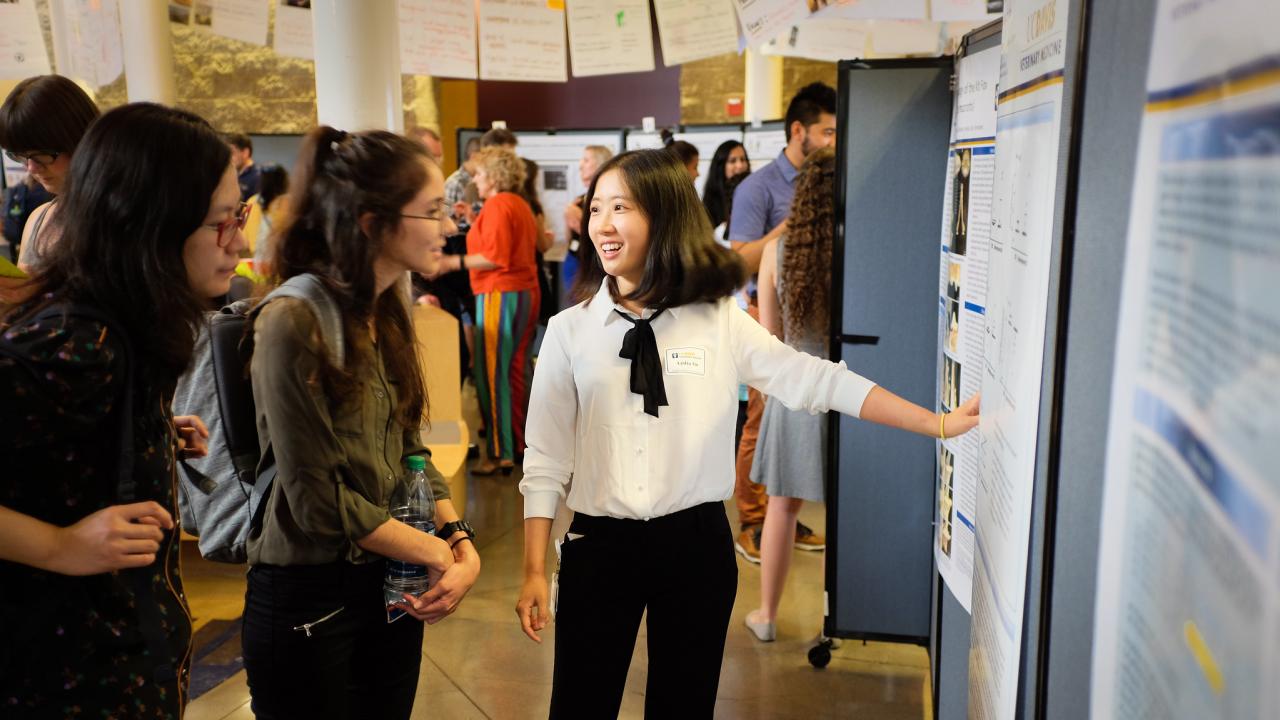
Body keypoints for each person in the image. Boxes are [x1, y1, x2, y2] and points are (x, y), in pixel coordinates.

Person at [515, 149, 980, 718]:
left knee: (684, 707)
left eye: (622, 208)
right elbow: (544, 458)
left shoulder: (716, 319)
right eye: (596, 210)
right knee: (579, 707)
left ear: (663, 217)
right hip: (597, 548)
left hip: (694, 548)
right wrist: (535, 568)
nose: (603, 226)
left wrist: (935, 424)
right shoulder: (569, 332)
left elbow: (811, 379)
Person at [0, 102, 247, 717]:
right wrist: (59, 545)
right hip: (65, 681)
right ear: (152, 225)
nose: (239, 243)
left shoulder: (120, 329)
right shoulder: (75, 345)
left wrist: (149, 435)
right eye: (222, 222)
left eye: (239, 215)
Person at [242, 126, 481, 720]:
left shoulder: (386, 314)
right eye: (430, 212)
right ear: (372, 223)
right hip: (309, 595)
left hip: (388, 582)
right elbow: (317, 500)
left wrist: (459, 540)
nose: (449, 226)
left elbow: (410, 448)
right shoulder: (292, 322)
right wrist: (432, 549)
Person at [729, 81, 838, 563]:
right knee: (762, 422)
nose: (835, 141)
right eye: (827, 132)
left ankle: (782, 515)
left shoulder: (838, 177)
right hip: (766, 316)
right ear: (799, 132)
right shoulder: (758, 188)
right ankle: (752, 521)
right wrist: (793, 226)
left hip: (815, 321)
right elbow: (740, 261)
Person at [744, 147, 840, 641]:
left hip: (795, 388)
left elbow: (771, 334)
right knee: (844, 515)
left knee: (782, 507)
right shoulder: (853, 250)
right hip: (849, 389)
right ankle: (834, 622)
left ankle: (767, 615)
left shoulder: (778, 252)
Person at [433, 146, 539, 476]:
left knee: (492, 374)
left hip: (499, 293)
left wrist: (451, 262)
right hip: (523, 292)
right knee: (514, 372)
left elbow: (495, 257)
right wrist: (472, 220)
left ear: (493, 176)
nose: (475, 179)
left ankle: (498, 453)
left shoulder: (497, 205)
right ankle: (518, 444)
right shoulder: (517, 203)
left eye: (479, 173)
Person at [0, 74, 101, 271]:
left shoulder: (126, 219)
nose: (31, 168)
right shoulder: (40, 219)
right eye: (20, 156)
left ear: (81, 140)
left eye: (42, 155)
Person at [562, 144, 613, 295]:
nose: (580, 165)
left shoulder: (608, 198)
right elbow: (569, 238)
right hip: (573, 259)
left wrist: (578, 218)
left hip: (593, 263)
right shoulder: (579, 200)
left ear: (600, 164)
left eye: (586, 160)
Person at [702, 139, 751, 244]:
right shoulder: (709, 204)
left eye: (743, 159)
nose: (740, 165)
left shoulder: (756, 194)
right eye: (732, 161)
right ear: (721, 166)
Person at [250, 163, 289, 269]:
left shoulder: (253, 201)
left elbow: (248, 237)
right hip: (280, 258)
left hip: (258, 257)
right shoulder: (289, 203)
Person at [445, 135, 482, 217]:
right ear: (474, 156)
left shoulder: (483, 181)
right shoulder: (454, 183)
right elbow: (446, 218)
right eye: (485, 157)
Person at [227, 132, 261, 202]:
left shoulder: (258, 177)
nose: (228, 158)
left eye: (232, 152)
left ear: (245, 153)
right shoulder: (230, 173)